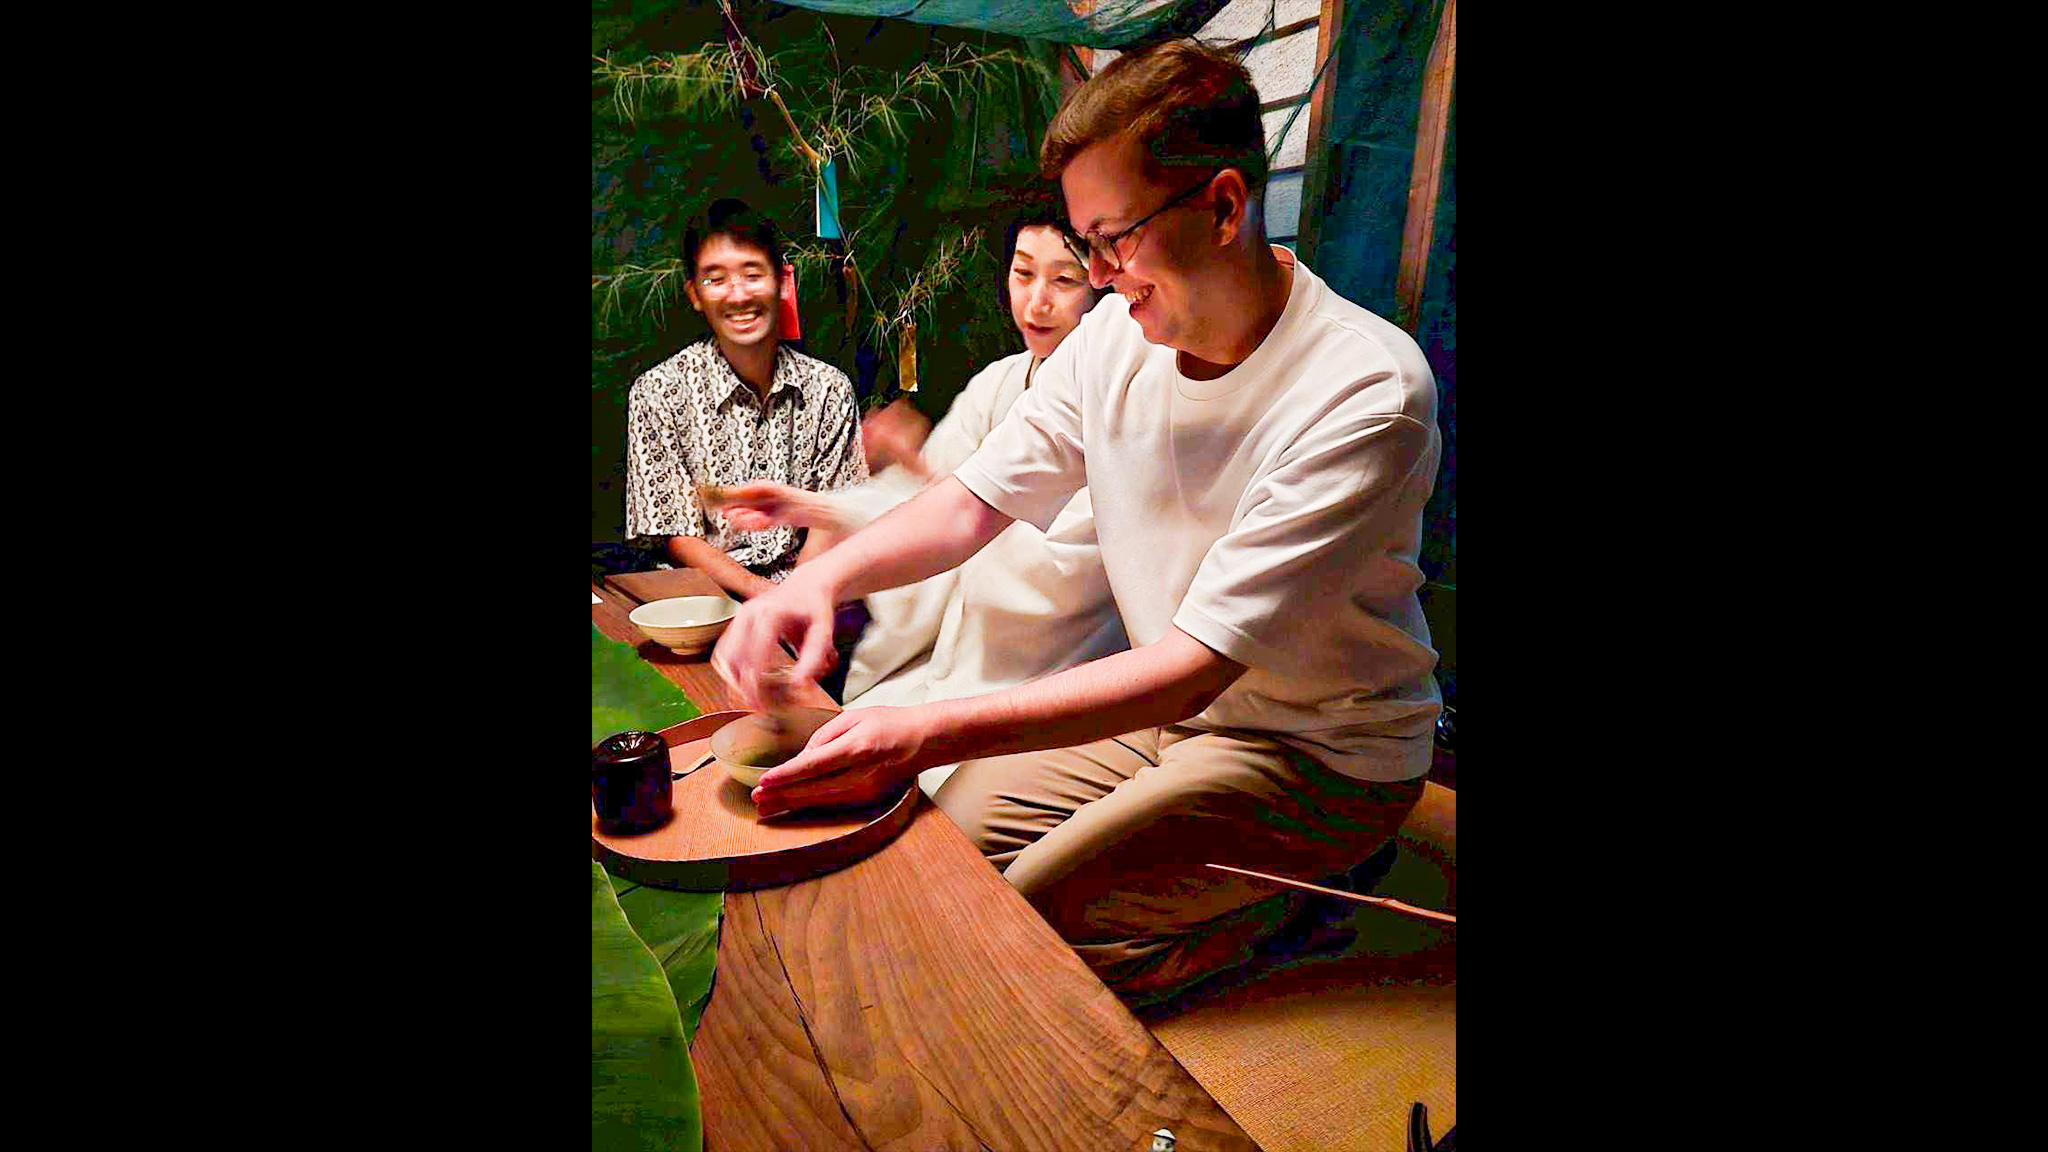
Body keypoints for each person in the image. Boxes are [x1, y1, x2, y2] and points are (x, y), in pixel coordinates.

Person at [711, 42, 1443, 1002]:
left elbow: (1192, 665)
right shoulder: (1115, 336)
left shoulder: (1366, 392)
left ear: (1225, 207)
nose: (1094, 275)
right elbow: (973, 500)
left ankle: (1313, 898)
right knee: (945, 844)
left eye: (1111, 240)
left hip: (1319, 754)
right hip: (1178, 721)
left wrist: (922, 728)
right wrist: (814, 580)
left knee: (1021, 937)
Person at [705, 208, 1128, 792]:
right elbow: (935, 502)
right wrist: (815, 508)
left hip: (1039, 669)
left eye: (1064, 280)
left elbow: (968, 517)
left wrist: (947, 527)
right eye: (1023, 273)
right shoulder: (1000, 382)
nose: (1037, 303)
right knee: (819, 754)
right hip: (949, 654)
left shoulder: (1115, 396)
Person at [622, 198, 867, 602]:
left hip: (808, 586)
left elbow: (833, 516)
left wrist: (795, 599)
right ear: (695, 294)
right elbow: (674, 533)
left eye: (753, 274)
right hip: (699, 596)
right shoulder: (658, 391)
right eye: (715, 279)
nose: (737, 295)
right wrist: (761, 594)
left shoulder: (829, 389)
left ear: (782, 282)